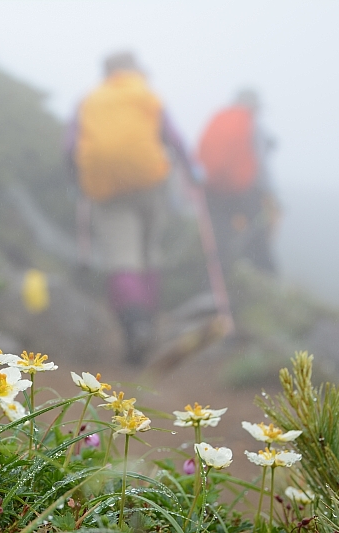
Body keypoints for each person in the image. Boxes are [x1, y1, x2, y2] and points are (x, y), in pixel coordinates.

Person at [67, 51, 197, 364]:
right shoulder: (146, 96)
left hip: (106, 190)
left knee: (122, 259)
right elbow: (174, 138)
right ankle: (150, 324)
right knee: (149, 253)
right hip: (151, 183)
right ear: (134, 69)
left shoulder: (89, 101)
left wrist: (77, 181)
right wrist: (192, 170)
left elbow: (70, 147)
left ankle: (134, 327)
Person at [197, 89, 279, 275]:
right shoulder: (251, 124)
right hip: (243, 190)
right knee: (257, 235)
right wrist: (271, 194)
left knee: (219, 238)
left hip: (211, 188)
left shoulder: (218, 118)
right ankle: (266, 280)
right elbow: (261, 164)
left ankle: (216, 281)